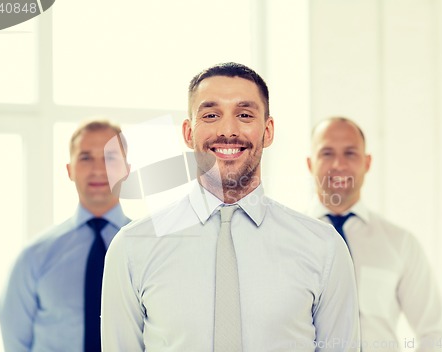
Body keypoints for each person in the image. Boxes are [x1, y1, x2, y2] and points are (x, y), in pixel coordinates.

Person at [101, 63, 360, 351]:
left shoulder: (323, 248)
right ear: (188, 132)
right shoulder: (132, 248)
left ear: (268, 130)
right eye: (211, 115)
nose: (227, 130)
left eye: (245, 115)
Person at [306, 117, 442, 352]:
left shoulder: (400, 243)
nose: (338, 164)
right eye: (326, 153)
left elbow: (436, 333)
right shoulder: (287, 240)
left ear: (367, 162)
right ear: (310, 163)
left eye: (350, 153)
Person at [0, 120, 132, 352]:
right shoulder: (34, 257)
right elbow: (15, 341)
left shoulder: (151, 250)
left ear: (126, 170)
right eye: (86, 158)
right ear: (69, 170)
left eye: (110, 157)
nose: (98, 169)